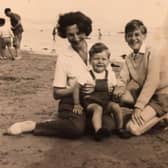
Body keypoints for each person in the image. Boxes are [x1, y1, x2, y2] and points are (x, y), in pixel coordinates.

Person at [5, 11, 116, 139]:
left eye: (79, 33)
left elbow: (109, 78)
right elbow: (56, 93)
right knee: (75, 130)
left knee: (110, 125)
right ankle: (34, 125)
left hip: (95, 102)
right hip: (72, 103)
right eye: (70, 35)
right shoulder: (64, 57)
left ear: (85, 31)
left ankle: (72, 122)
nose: (75, 38)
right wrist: (74, 88)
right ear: (65, 35)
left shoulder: (98, 51)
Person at [113, 19, 168, 136]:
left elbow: (152, 81)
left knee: (132, 128)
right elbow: (123, 78)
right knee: (119, 96)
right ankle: (147, 111)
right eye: (129, 35)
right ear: (125, 39)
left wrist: (138, 106)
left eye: (137, 34)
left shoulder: (152, 52)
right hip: (147, 94)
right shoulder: (129, 58)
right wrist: (119, 87)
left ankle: (163, 115)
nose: (133, 38)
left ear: (144, 35)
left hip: (162, 95)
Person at [79, 42, 117, 141]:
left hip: (105, 102)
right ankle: (98, 132)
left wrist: (114, 92)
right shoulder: (87, 74)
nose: (100, 62)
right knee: (98, 109)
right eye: (96, 59)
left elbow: (114, 87)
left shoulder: (110, 74)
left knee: (115, 107)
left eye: (103, 59)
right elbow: (77, 88)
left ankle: (120, 128)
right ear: (90, 60)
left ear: (108, 61)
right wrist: (76, 103)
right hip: (91, 103)